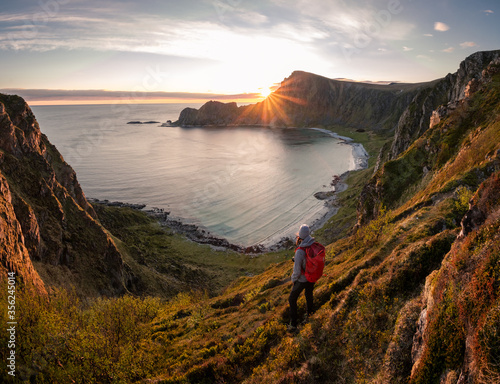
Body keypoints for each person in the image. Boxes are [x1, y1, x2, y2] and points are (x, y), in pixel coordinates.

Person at [288, 224, 316, 331]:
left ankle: (293, 324)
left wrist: (293, 280)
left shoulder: (300, 251)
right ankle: (310, 315)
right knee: (309, 295)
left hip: (302, 279)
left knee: (292, 298)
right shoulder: (313, 244)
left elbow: (297, 271)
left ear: (300, 235)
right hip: (312, 277)